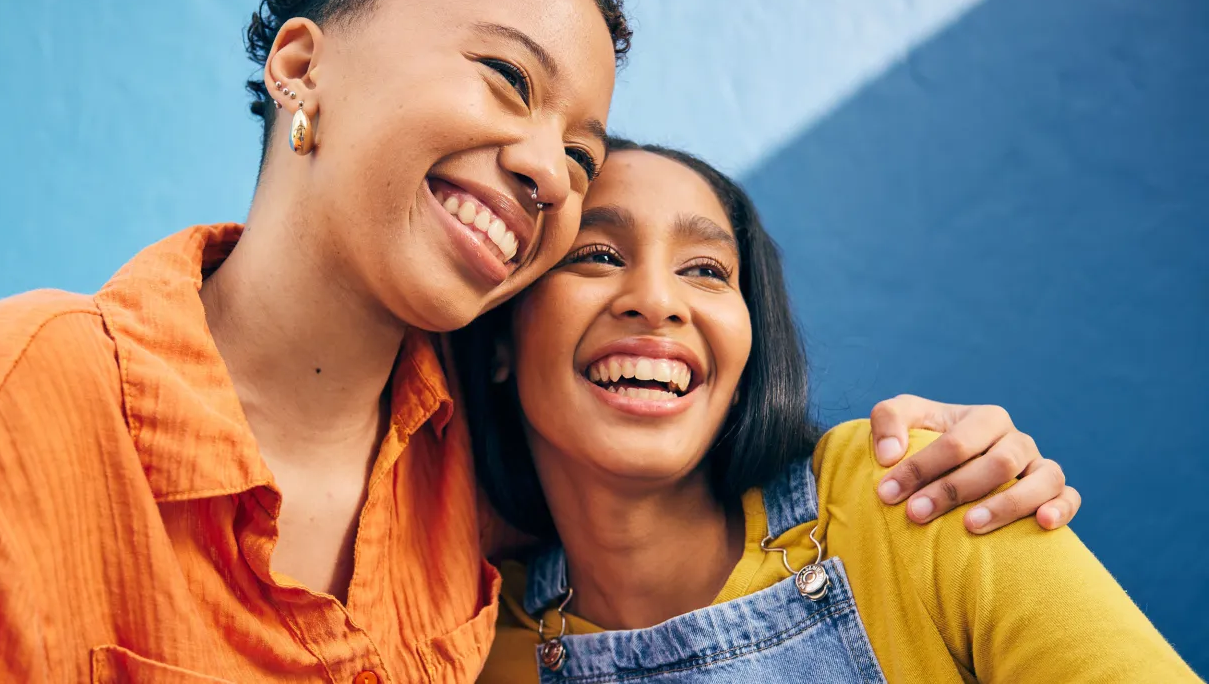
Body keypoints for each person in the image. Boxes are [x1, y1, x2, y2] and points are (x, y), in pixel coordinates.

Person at [0, 0, 1080, 682]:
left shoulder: (474, 481)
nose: (547, 168)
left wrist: (944, 446)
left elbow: (690, 519)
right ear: (302, 65)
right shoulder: (26, 400)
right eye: (504, 79)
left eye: (581, 153)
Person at [458, 139, 1196, 682]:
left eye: (706, 271)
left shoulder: (910, 489)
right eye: (598, 255)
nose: (656, 299)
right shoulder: (475, 644)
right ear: (501, 341)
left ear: (747, 363)